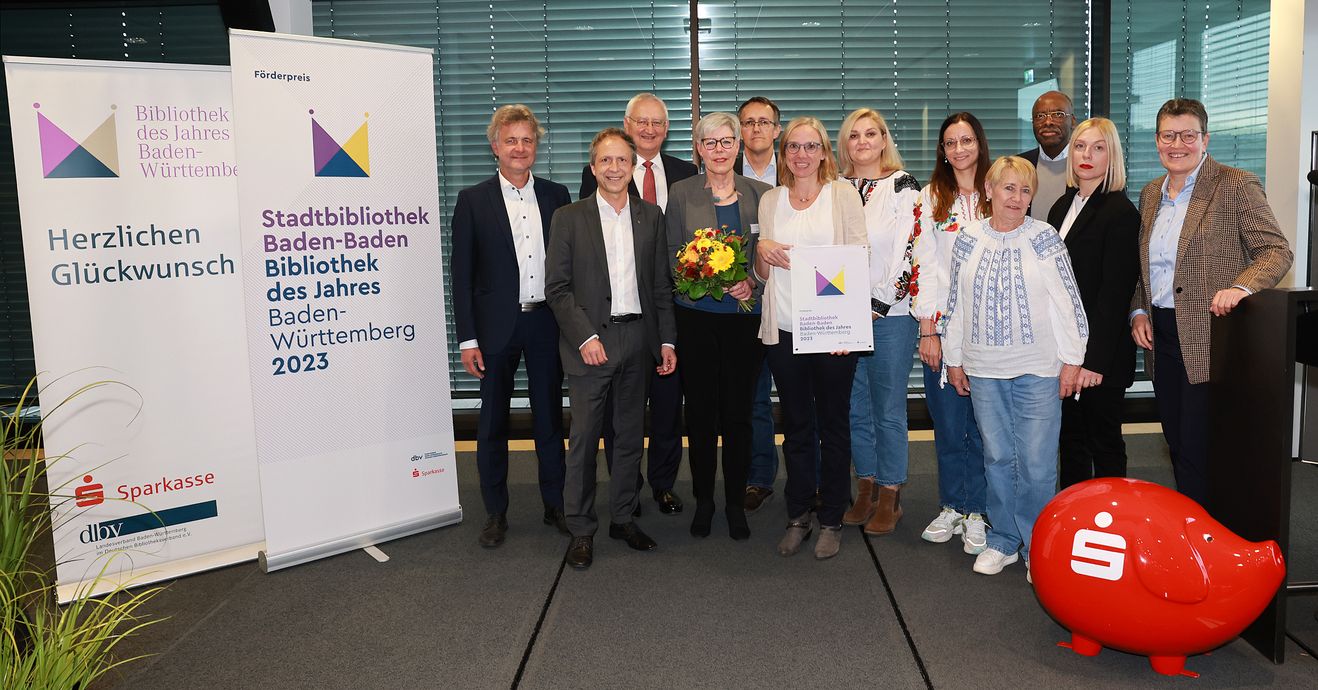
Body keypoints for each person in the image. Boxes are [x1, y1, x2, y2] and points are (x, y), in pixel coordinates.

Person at [1129, 98, 1293, 505]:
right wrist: (1137, 310)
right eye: (1169, 135)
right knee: (1176, 439)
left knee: (1201, 444)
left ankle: (1208, 536)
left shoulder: (1235, 184)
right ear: (1157, 141)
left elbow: (1275, 250)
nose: (1178, 144)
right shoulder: (1151, 193)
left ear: (1205, 139)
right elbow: (1143, 264)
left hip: (1211, 337)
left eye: (1188, 135)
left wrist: (1241, 287)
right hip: (1162, 337)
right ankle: (1193, 524)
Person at [944, 155, 1089, 579]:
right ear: (988, 190)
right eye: (1008, 188)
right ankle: (1004, 540)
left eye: (1025, 190)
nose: (1017, 197)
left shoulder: (1045, 238)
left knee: (1038, 462)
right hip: (984, 368)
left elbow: (1069, 303)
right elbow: (956, 304)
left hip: (1038, 369)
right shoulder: (968, 237)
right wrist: (954, 359)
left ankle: (1039, 547)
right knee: (997, 457)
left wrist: (1073, 362)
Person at [547, 128, 678, 571]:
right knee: (584, 441)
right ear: (593, 166)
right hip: (589, 345)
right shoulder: (568, 217)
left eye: (622, 160)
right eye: (606, 160)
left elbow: (661, 285)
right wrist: (585, 337)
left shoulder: (652, 216)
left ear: (633, 165)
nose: (615, 168)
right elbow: (558, 289)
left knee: (627, 439)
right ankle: (581, 528)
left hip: (637, 341)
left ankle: (622, 517)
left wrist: (665, 340)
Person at [450, 104, 570, 548]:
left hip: (546, 326)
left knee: (549, 421)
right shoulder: (473, 200)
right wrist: (467, 339)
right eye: (511, 140)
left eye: (528, 140)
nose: (520, 148)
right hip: (494, 331)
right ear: (495, 146)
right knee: (493, 424)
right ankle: (496, 512)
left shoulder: (557, 196)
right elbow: (461, 276)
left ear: (536, 147)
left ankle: (555, 504)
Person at [755, 116, 866, 560]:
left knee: (834, 427)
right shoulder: (770, 200)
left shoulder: (842, 194)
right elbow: (764, 276)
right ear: (785, 155)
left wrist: (849, 325)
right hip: (783, 329)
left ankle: (833, 518)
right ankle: (799, 514)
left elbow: (859, 256)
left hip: (833, 334)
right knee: (797, 427)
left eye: (810, 146)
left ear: (824, 152)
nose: (801, 154)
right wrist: (760, 252)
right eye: (794, 147)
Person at [580, 93, 697, 516]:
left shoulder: (688, 173)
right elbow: (587, 249)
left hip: (670, 307)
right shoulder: (599, 176)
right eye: (641, 122)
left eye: (658, 123)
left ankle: (663, 484)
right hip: (616, 317)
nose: (649, 130)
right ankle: (624, 488)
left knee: (667, 407)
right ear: (627, 126)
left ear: (667, 130)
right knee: (619, 415)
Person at [666, 112, 773, 540]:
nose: (720, 150)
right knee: (703, 415)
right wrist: (701, 276)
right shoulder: (681, 193)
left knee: (739, 415)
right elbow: (672, 253)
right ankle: (706, 501)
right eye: (710, 143)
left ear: (739, 146)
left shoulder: (762, 194)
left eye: (727, 141)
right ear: (699, 149)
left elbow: (769, 258)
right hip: (696, 319)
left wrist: (753, 282)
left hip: (744, 322)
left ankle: (734, 503)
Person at [836, 108, 920, 535]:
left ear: (885, 139)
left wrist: (880, 304)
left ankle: (891, 493)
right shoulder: (835, 188)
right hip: (843, 317)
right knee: (855, 408)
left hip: (891, 316)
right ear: (845, 144)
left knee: (888, 408)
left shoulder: (902, 185)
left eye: (871, 134)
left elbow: (911, 250)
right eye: (855, 135)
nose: (863, 141)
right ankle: (864, 486)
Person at [909, 112, 990, 555]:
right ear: (942, 150)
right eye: (950, 143)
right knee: (948, 423)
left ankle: (978, 510)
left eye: (966, 140)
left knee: (982, 427)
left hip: (989, 333)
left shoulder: (1000, 191)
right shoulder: (930, 197)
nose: (959, 149)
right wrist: (928, 328)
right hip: (942, 328)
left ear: (979, 143)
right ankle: (952, 506)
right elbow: (924, 265)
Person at [1046, 117, 1140, 488]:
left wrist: (1092, 361)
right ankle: (1074, 524)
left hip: (1101, 357)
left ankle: (1111, 526)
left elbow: (1114, 295)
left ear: (1111, 156)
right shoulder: (1062, 206)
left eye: (1098, 147)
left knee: (1104, 443)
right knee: (1071, 442)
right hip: (1067, 350)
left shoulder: (1120, 213)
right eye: (1081, 146)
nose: (1087, 155)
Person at [735, 95, 785, 514]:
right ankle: (759, 477)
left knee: (803, 394)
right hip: (744, 305)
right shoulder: (719, 177)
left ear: (777, 130)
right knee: (753, 397)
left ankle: (821, 477)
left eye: (763, 123)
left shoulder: (797, 170)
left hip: (795, 301)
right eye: (748, 123)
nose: (756, 130)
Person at [1018, 91, 1076, 220]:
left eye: (1058, 114)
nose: (1048, 122)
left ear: (1072, 121)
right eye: (1040, 116)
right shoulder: (1019, 165)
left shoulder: (1086, 167)